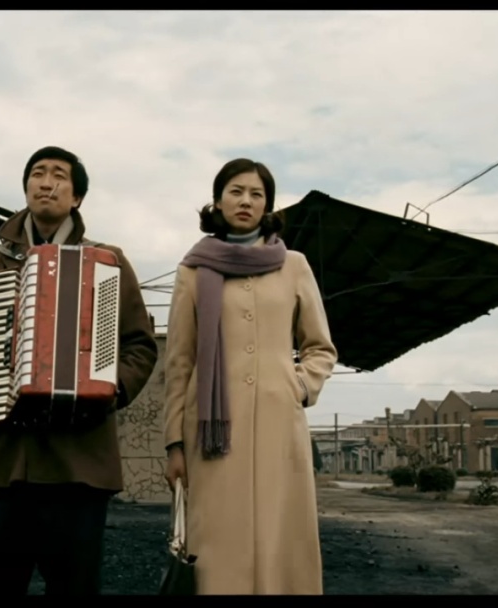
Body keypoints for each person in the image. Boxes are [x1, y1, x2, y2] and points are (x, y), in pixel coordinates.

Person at [0, 145, 159, 595]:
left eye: (59, 175)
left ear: (76, 197)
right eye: (38, 173)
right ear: (25, 189)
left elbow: (139, 344)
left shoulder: (108, 263)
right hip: (4, 465)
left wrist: (112, 388)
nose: (47, 182)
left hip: (80, 466)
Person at [162, 158, 339, 595]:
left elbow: (320, 347)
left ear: (268, 206)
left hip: (280, 425)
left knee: (283, 540)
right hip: (210, 434)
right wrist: (174, 443)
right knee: (216, 547)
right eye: (236, 191)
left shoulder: (294, 265)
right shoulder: (192, 271)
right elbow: (179, 361)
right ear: (218, 201)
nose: (246, 201)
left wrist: (297, 385)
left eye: (256, 194)